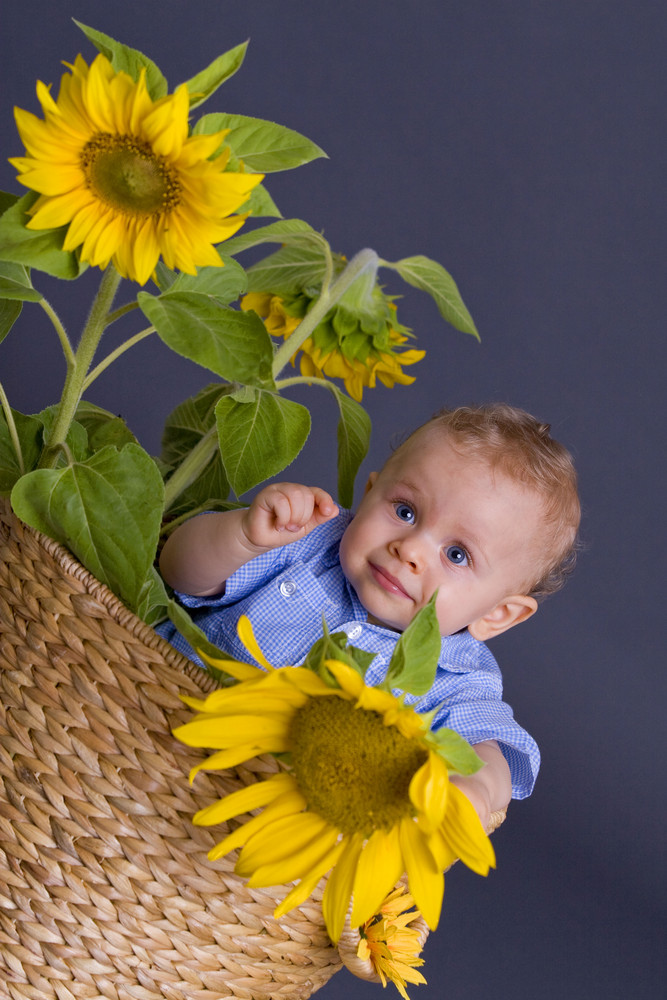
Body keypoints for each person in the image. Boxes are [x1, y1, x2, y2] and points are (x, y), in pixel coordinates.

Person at [158, 403, 580, 829]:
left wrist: (472, 790)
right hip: (148, 714)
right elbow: (179, 573)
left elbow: (488, 755)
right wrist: (244, 536)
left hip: (264, 821)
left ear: (498, 614)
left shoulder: (457, 679)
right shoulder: (309, 539)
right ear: (369, 493)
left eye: (456, 554)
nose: (410, 550)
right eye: (404, 511)